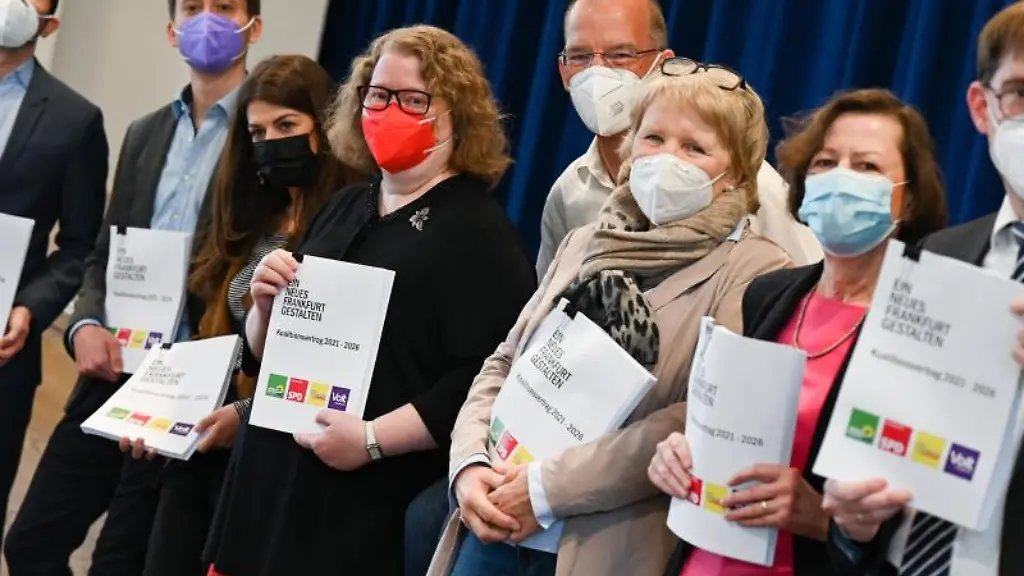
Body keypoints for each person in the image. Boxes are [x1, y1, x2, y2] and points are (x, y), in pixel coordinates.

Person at [201, 24, 536, 576]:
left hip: (355, 504)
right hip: (265, 484)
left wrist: (373, 441)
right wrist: (264, 306)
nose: (388, 110)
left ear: (457, 113)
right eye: (377, 95)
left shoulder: (481, 235)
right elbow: (265, 355)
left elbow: (481, 381)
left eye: (413, 99)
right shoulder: (345, 205)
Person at [435, 63, 793, 576]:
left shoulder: (757, 269)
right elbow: (504, 363)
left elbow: (693, 418)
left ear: (735, 171)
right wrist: (469, 466)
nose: (668, 157)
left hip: (606, 544)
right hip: (493, 519)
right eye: (654, 137)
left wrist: (544, 489)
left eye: (695, 148)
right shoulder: (585, 241)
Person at [4, 1, 262, 573]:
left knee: (122, 561)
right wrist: (86, 322)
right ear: (173, 32)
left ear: (255, 26)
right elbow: (101, 252)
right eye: (193, 7)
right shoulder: (146, 132)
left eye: (224, 6)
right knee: (30, 543)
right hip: (115, 366)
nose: (207, 19)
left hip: (198, 384)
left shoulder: (262, 138)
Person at [647, 87, 948, 575]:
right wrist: (681, 455)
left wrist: (821, 518)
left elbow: (929, 512)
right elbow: (729, 432)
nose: (841, 178)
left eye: (867, 167)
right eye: (826, 162)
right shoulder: (769, 293)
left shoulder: (922, 330)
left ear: (909, 201)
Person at [110, 54, 364, 576]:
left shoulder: (350, 224)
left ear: (325, 125)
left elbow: (333, 373)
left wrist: (244, 418)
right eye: (257, 131)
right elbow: (215, 337)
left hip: (276, 462)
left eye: (287, 125)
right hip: (203, 445)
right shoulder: (255, 215)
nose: (271, 141)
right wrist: (160, 411)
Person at [821, 4, 1024, 574]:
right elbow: (886, 451)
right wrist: (857, 523)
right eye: (1021, 93)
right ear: (983, 108)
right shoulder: (938, 255)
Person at [535, 0, 821, 280]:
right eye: (580, 56)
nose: (597, 72)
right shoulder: (568, 193)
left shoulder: (752, 185)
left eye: (620, 55)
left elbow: (809, 286)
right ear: (563, 71)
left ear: (663, 64)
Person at [0, 0, 107, 547]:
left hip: (4, 348)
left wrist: (29, 308)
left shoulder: (75, 119)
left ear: (50, 24)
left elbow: (81, 244)